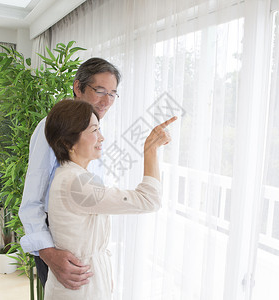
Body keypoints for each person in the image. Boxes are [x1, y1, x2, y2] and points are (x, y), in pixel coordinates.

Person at [43, 99, 176, 299]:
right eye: (94, 131)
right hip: (80, 288)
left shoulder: (71, 176)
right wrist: (150, 150)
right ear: (67, 142)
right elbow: (149, 200)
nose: (102, 138)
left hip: (84, 282)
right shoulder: (76, 183)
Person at [19, 58, 121, 289]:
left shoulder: (96, 133)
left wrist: (103, 264)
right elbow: (32, 201)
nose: (106, 101)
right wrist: (48, 254)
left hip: (88, 248)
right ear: (77, 87)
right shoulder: (52, 129)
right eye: (100, 91)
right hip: (58, 245)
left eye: (113, 93)